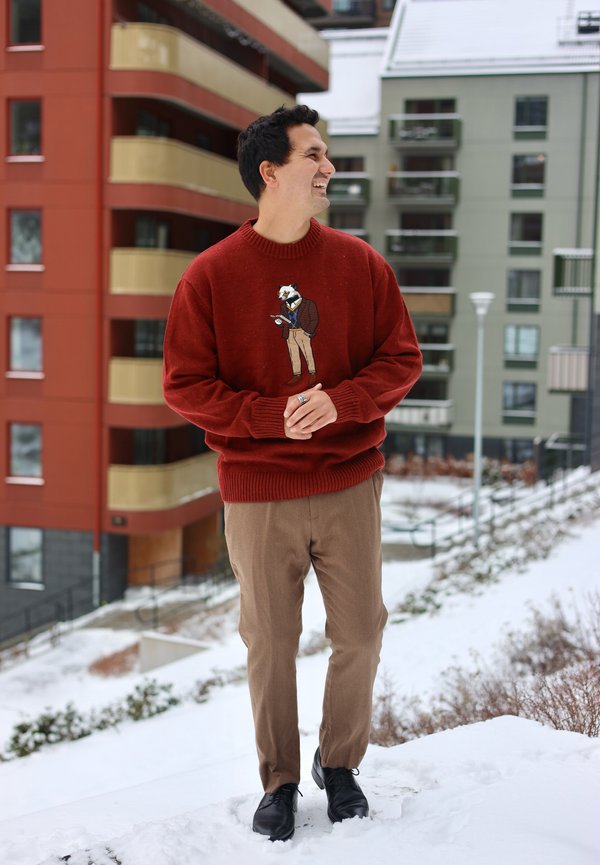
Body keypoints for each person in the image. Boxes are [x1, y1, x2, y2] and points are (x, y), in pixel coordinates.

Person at [162, 105, 422, 842]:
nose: (328, 167)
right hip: (258, 492)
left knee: (361, 633)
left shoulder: (360, 264)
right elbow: (185, 384)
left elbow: (401, 359)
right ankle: (277, 780)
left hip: (348, 482)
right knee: (270, 643)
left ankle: (337, 766)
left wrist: (341, 402)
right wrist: (268, 417)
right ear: (270, 171)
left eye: (328, 153)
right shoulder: (209, 277)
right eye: (315, 154)